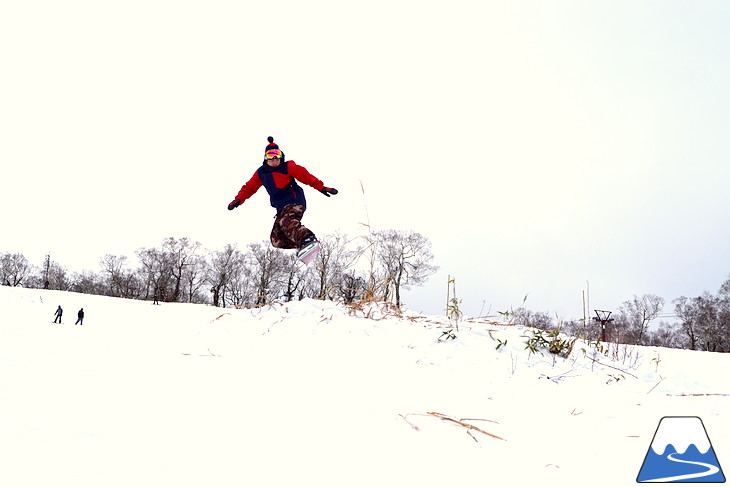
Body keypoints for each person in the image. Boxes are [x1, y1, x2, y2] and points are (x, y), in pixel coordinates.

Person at [228, 136, 338, 254]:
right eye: (271, 158)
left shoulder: (288, 167)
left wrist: (321, 187)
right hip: (281, 207)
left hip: (294, 200)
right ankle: (303, 245)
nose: (275, 161)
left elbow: (306, 177)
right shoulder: (261, 173)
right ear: (266, 158)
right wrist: (238, 199)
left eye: (277, 158)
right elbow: (249, 188)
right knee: (276, 239)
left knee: (286, 222)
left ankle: (308, 238)